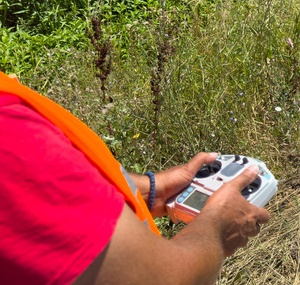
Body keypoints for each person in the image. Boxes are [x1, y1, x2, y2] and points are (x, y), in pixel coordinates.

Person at [0, 71, 270, 284]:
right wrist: (218, 227)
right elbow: (163, 280)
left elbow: (46, 198)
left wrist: (150, 192)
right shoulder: (10, 134)